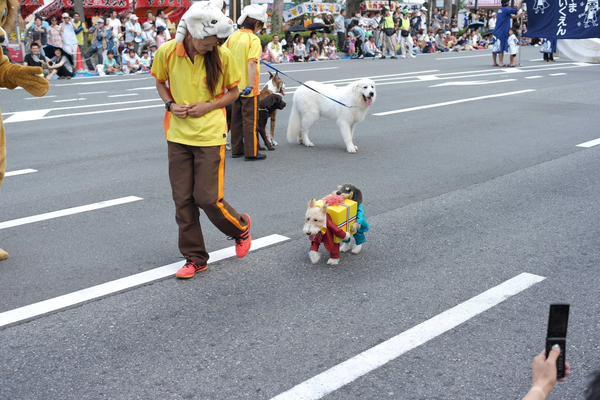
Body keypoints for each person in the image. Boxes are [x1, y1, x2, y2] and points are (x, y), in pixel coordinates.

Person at [151, 2, 252, 279]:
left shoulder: (222, 55)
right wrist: (170, 105)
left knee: (207, 198)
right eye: (210, 41)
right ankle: (195, 258)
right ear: (195, 32)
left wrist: (208, 106)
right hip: (177, 135)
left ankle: (240, 227)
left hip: (210, 135)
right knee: (182, 200)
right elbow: (160, 81)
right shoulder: (167, 52)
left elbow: (234, 92)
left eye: (217, 41)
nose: (214, 46)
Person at [223, 4, 269, 161]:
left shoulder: (232, 37)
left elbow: (224, 59)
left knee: (235, 119)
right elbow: (251, 63)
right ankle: (251, 151)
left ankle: (236, 149)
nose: (259, 30)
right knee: (250, 120)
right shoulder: (253, 39)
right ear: (256, 23)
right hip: (249, 88)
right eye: (260, 26)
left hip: (234, 87)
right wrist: (250, 85)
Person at [492, 0, 525, 67]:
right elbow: (517, 9)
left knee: (495, 47)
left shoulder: (500, 10)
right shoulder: (506, 9)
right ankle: (501, 62)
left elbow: (511, 16)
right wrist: (521, 2)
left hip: (496, 31)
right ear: (507, 4)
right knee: (501, 47)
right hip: (502, 31)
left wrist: (519, 16)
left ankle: (495, 62)